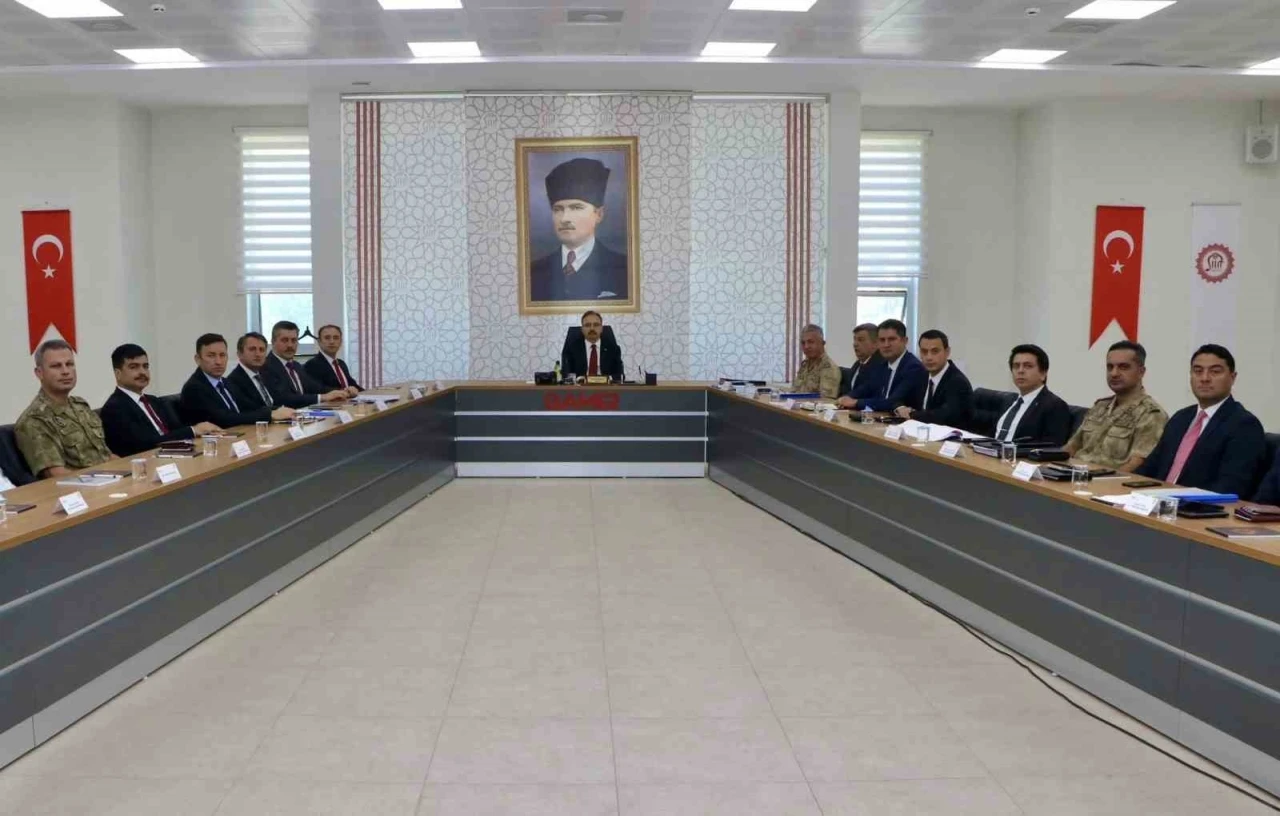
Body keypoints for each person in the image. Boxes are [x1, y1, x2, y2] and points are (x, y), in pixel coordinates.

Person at [1136, 344, 1266, 496]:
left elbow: (1230, 487)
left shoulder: (1244, 425)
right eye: (1198, 371)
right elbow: (1149, 469)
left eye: (1215, 371)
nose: (1204, 378)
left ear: (1232, 377)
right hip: (1154, 502)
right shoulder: (1181, 418)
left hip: (1196, 507)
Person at [529, 157, 629, 303]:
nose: (564, 218)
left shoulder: (624, 269)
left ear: (599, 214)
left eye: (576, 208)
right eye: (558, 209)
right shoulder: (533, 272)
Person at [1064, 340, 1168, 472]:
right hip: (1073, 476)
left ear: (1141, 372)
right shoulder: (1099, 406)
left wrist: (1100, 480)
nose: (1114, 373)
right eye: (1110, 367)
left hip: (1108, 481)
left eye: (1123, 367)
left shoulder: (1151, 414)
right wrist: (1048, 466)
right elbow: (1071, 448)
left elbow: (1136, 464)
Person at [14, 339, 112, 478]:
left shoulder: (80, 405)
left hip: (110, 480)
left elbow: (106, 456)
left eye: (70, 364)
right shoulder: (35, 420)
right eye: (56, 366)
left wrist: (130, 470)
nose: (65, 371)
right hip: (82, 487)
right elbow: (56, 475)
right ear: (39, 373)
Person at [100, 343, 220, 458]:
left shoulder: (153, 401)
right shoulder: (114, 408)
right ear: (118, 374)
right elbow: (144, 445)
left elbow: (177, 429)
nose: (142, 372)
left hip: (176, 456)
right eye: (134, 367)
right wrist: (193, 430)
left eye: (145, 366)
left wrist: (202, 432)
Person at [180, 333, 295, 428]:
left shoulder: (225, 382)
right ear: (198, 359)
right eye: (211, 356)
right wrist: (270, 415)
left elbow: (252, 406)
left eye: (222, 355)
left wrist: (281, 410)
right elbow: (224, 419)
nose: (218, 361)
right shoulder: (194, 387)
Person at [992, 344, 1073, 446]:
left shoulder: (1055, 406)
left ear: (1043, 374)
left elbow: (1051, 447)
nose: (1020, 371)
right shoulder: (1008, 401)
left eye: (1028, 366)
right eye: (1016, 366)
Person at [842, 319, 927, 412]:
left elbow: (892, 402)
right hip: (881, 417)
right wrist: (846, 398)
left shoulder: (913, 367)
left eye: (891, 339)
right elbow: (867, 388)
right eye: (882, 340)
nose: (886, 345)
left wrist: (856, 402)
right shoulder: (882, 365)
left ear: (904, 341)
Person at [894, 329, 973, 428]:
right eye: (924, 351)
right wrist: (900, 408)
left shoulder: (958, 382)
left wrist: (911, 414)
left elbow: (943, 417)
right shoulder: (921, 375)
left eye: (935, 351)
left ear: (947, 352)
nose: (929, 357)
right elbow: (898, 398)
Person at [259, 321, 347, 408]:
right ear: (273, 341)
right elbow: (283, 398)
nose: (290, 345)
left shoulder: (296, 366)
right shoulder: (265, 366)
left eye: (294, 340)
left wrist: (343, 392)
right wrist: (321, 397)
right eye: (285, 340)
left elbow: (316, 388)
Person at [560, 310, 624, 381]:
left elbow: (620, 376)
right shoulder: (571, 349)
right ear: (582, 329)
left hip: (606, 386)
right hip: (580, 386)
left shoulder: (613, 349)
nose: (592, 328)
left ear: (601, 328)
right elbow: (566, 375)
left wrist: (606, 379)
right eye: (587, 325)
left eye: (596, 325)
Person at [227, 332, 285, 410]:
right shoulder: (233, 381)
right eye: (252, 349)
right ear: (240, 354)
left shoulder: (268, 374)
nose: (258, 354)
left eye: (262, 350)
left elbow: (280, 400)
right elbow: (251, 409)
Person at [304, 324, 362, 395]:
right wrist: (345, 391)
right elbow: (319, 389)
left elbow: (353, 385)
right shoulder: (312, 365)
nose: (332, 341)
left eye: (336, 338)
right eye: (327, 338)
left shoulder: (341, 363)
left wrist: (369, 394)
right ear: (319, 342)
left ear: (341, 341)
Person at [838, 323, 886, 401]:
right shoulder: (857, 364)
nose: (855, 344)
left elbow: (866, 390)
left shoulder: (882, 365)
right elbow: (847, 390)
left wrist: (845, 399)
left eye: (860, 340)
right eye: (854, 339)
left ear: (876, 343)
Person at [791, 323, 842, 399]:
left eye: (811, 342)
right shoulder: (805, 365)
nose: (806, 346)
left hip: (811, 406)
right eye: (803, 343)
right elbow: (794, 392)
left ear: (822, 343)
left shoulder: (828, 368)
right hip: (797, 405)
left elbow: (826, 400)